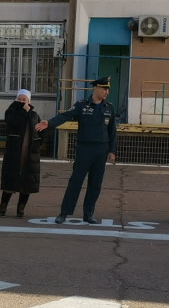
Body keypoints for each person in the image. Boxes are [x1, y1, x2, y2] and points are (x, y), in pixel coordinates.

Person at [36, 76, 117, 224]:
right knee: (76, 182)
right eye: (104, 88)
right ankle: (64, 213)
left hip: (101, 149)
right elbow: (65, 116)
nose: (106, 92)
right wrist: (49, 123)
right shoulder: (82, 105)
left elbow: (112, 131)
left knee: (95, 184)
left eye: (108, 89)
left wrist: (112, 151)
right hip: (84, 149)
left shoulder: (109, 107)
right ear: (96, 88)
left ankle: (88, 213)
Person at [0, 88, 42, 218]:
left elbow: (41, 131)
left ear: (29, 101)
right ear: (16, 99)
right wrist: (23, 111)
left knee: (26, 183)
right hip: (14, 152)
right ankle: (3, 206)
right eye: (20, 99)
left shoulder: (34, 115)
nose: (22, 101)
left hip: (30, 153)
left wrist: (38, 144)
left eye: (25, 99)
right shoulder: (11, 112)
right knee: (10, 180)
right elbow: (14, 124)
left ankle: (21, 208)